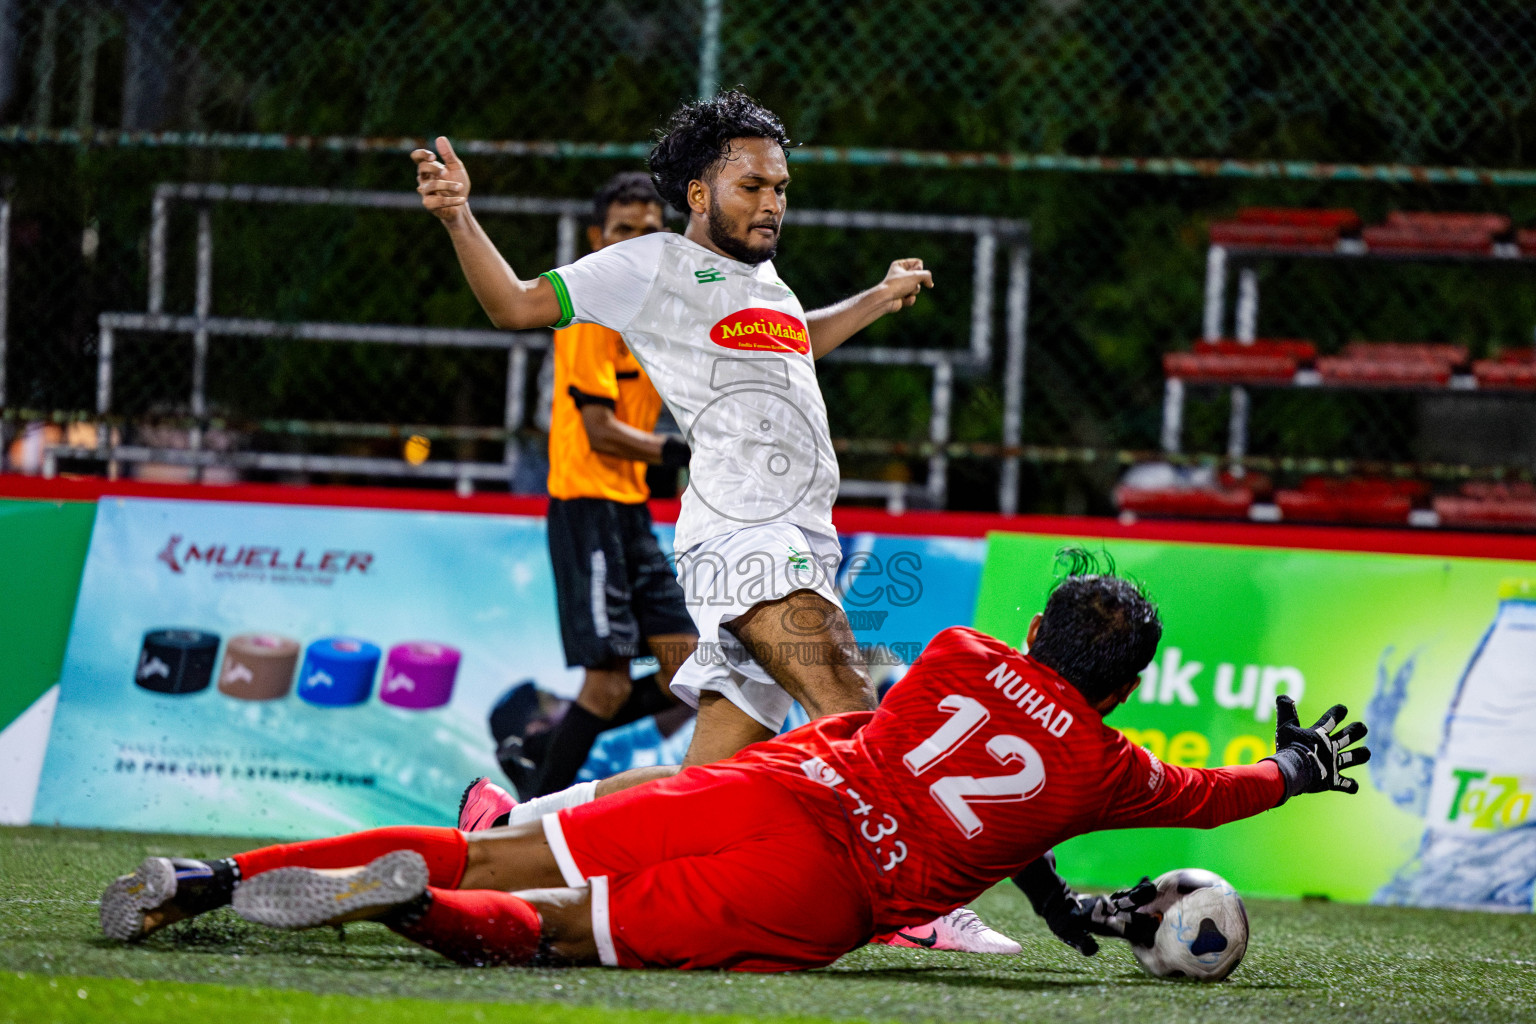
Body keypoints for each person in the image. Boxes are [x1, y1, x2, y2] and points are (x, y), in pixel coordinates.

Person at [99, 553, 1371, 972]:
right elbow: (1212, 791)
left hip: (781, 782)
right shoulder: (1111, 771)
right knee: (545, 930)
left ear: (1036, 632)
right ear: (1129, 689)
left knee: (504, 841)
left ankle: (215, 873)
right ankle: (415, 911)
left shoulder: (956, 652)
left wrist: (1041, 877)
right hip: (824, 890)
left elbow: (971, 760)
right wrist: (1299, 771)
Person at [513, 170, 699, 799]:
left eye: (649, 233)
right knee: (607, 682)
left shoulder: (658, 312)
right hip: (586, 507)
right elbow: (600, 430)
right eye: (623, 231)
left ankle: (541, 748)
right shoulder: (592, 311)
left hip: (631, 510)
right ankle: (527, 817)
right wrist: (688, 451)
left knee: (690, 673)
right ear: (597, 237)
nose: (635, 244)